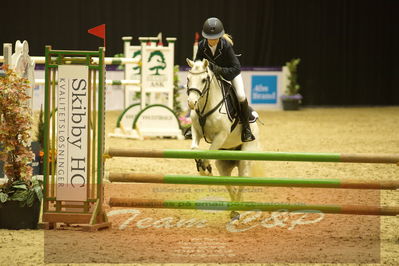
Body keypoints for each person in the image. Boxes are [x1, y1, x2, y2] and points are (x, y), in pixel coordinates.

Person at [194, 17, 255, 142]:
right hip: (212, 77)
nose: (212, 40)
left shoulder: (226, 46)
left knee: (241, 95)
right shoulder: (201, 46)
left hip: (230, 74)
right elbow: (197, 63)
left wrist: (218, 70)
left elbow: (236, 68)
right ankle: (194, 127)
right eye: (210, 38)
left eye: (215, 37)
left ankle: (246, 128)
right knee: (196, 92)